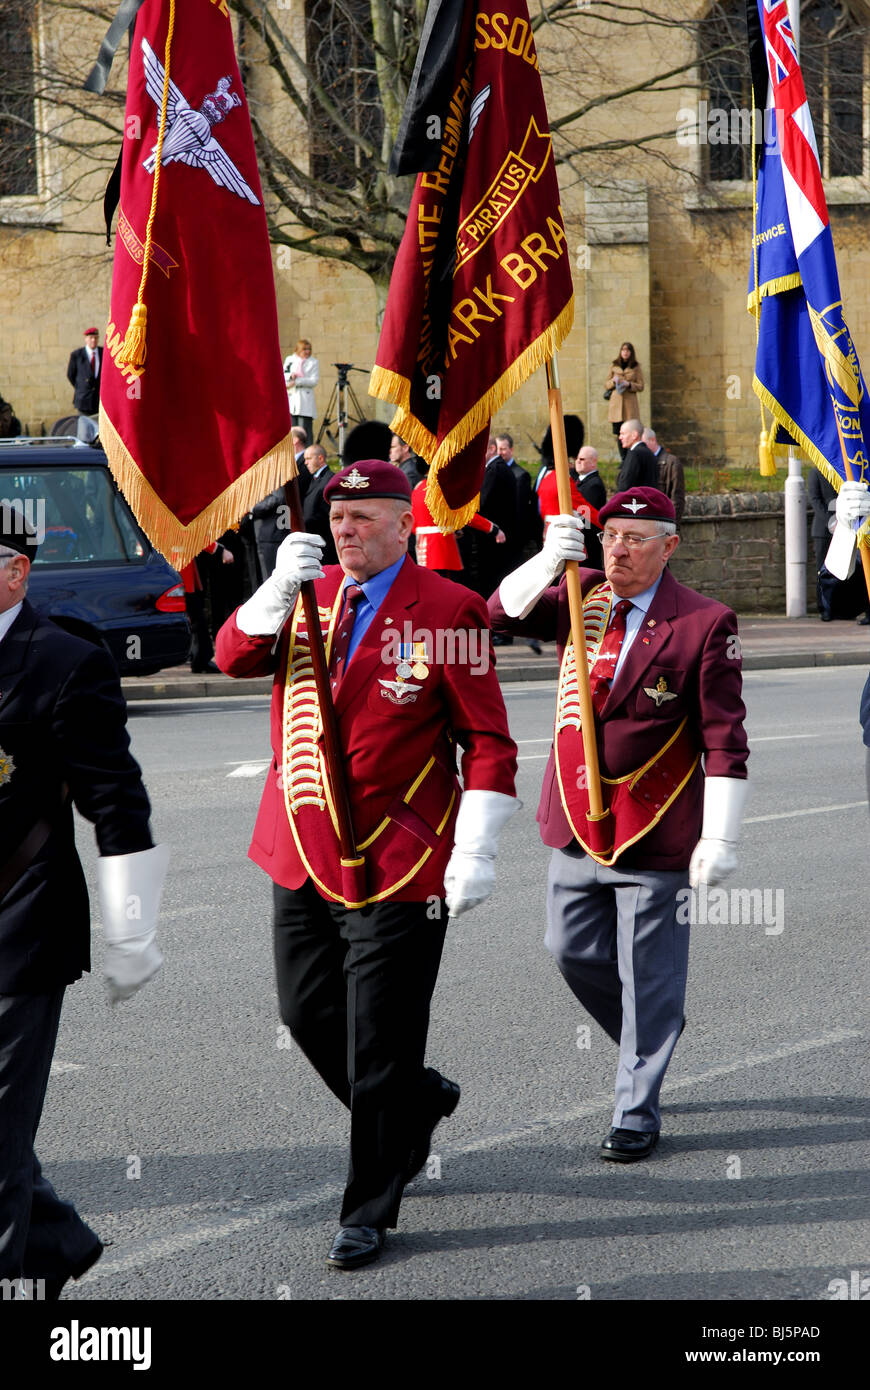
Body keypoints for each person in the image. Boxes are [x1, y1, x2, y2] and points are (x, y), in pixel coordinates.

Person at [215, 460, 518, 1269]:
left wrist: (477, 847)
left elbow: (487, 741)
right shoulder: (304, 595)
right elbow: (230, 658)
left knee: (380, 1037)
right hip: (301, 841)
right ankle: (416, 1104)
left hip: (400, 854)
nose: (345, 532)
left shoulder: (448, 609)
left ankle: (370, 1206)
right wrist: (275, 589)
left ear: (401, 524)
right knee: (306, 1012)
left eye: (363, 520)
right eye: (337, 520)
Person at [488, 487, 749, 1161]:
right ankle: (651, 1030)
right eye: (609, 537)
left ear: (670, 545)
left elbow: (724, 738)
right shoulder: (580, 597)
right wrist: (549, 559)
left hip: (654, 826)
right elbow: (498, 613)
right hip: (576, 816)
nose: (618, 550)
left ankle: (636, 1107)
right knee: (569, 950)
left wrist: (720, 836)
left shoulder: (702, 622)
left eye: (636, 538)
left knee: (649, 971)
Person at [0, 503, 167, 1297]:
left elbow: (114, 797)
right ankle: (55, 1242)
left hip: (19, 924)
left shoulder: (63, 659)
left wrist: (130, 927)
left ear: (15, 571)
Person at [411, 472, 505, 578]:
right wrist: (492, 529)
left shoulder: (417, 489)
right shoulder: (441, 490)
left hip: (422, 549)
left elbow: (415, 524)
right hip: (442, 551)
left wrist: (451, 529)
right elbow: (465, 515)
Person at [457, 435, 516, 599]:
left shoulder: (495, 469)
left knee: (489, 581)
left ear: (491, 449)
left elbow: (481, 504)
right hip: (493, 535)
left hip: (494, 537)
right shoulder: (495, 467)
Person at [301, 441, 337, 565]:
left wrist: (304, 522)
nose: (306, 463)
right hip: (315, 542)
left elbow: (328, 513)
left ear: (320, 458)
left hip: (324, 543)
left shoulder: (329, 480)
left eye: (309, 459)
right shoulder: (315, 479)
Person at [605, 342, 644, 459]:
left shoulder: (636, 367)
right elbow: (606, 384)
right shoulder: (614, 365)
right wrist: (613, 381)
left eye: (627, 350)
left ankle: (630, 457)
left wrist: (629, 384)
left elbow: (641, 386)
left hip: (629, 405)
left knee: (630, 431)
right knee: (619, 433)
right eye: (623, 350)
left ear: (631, 353)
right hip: (616, 405)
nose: (625, 352)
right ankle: (623, 458)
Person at [66, 328, 103, 442]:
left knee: (100, 429)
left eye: (95, 338)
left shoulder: (103, 353)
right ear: (86, 339)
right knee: (84, 430)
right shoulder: (77, 355)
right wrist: (82, 388)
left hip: (99, 399)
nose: (93, 340)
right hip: (84, 399)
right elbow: (71, 375)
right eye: (91, 338)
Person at [643, 428, 685, 524]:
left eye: (643, 443)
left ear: (652, 440)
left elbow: (677, 498)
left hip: (663, 524)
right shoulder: (640, 462)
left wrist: (672, 525)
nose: (641, 447)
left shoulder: (671, 462)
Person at [283, 338, 319, 444]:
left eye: (309, 349)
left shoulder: (313, 362)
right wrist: (290, 376)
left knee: (305, 429)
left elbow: (314, 381)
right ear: (298, 350)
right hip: (292, 397)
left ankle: (307, 451)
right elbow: (283, 374)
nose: (307, 352)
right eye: (304, 349)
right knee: (292, 428)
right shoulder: (290, 360)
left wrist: (297, 381)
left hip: (305, 399)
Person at [576, 446, 607, 570]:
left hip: (587, 541)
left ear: (593, 462)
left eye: (582, 459)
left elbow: (587, 518)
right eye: (577, 459)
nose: (578, 461)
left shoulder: (593, 485)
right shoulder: (582, 481)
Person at [616, 419, 659, 491]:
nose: (620, 437)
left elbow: (626, 484)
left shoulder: (635, 454)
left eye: (623, 434)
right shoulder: (648, 453)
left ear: (634, 435)